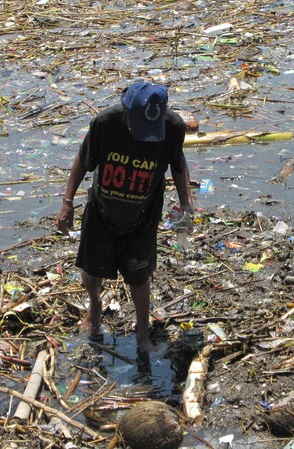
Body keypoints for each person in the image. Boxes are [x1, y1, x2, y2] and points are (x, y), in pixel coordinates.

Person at [56, 80, 194, 352]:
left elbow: (178, 165)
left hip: (143, 213)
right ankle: (94, 308)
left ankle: (143, 334)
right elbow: (84, 160)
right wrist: (67, 202)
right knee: (92, 268)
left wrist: (186, 204)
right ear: (127, 111)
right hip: (103, 208)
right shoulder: (105, 124)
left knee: (139, 274)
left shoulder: (173, 127)